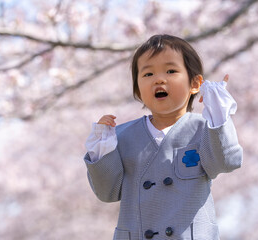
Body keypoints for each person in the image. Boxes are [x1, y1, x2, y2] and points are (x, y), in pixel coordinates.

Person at [83, 34, 243, 240]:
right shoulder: (120, 136)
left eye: (171, 71)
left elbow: (226, 162)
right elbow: (108, 192)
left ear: (195, 83)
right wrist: (101, 147)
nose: (159, 79)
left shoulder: (205, 128)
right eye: (148, 74)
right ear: (138, 90)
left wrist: (219, 114)